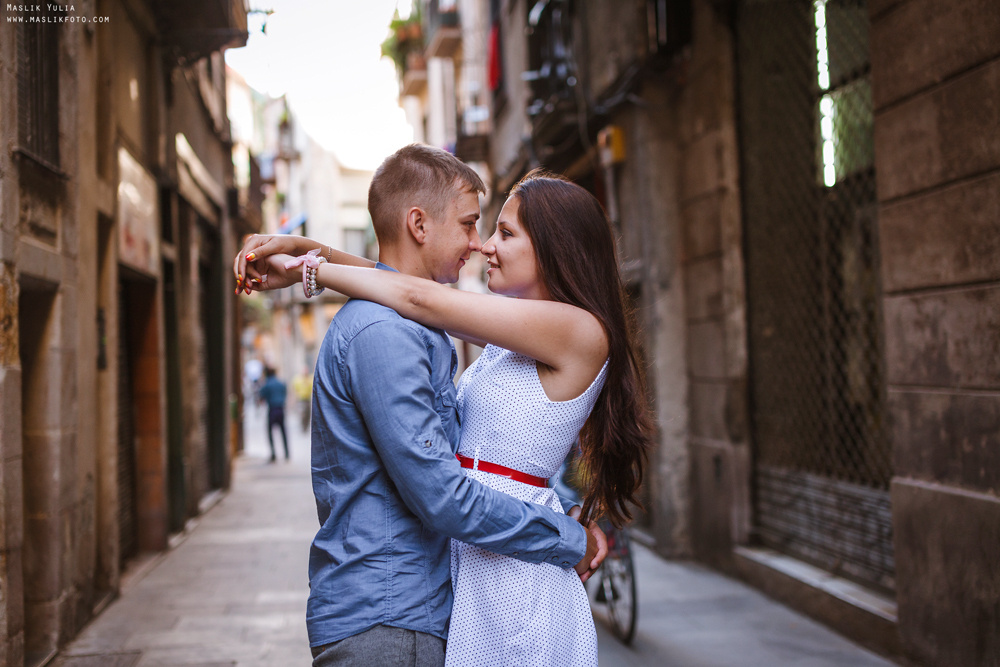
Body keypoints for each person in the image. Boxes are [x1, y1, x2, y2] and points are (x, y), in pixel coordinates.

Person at [234, 145, 609, 667]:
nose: (483, 245)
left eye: (503, 233)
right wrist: (307, 257)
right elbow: (406, 288)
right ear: (418, 224)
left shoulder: (575, 329)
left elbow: (415, 295)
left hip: (505, 572)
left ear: (554, 248)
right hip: (444, 586)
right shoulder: (441, 328)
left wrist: (309, 266)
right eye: (475, 226)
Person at [256, 366, 290, 462]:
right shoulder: (281, 383)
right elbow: (285, 393)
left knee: (270, 432)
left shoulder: (267, 384)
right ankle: (286, 453)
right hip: (281, 409)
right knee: (283, 432)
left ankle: (273, 453)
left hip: (272, 410)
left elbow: (261, 397)